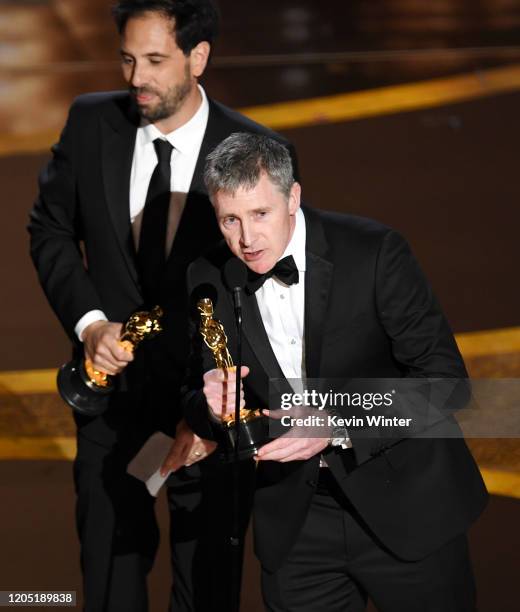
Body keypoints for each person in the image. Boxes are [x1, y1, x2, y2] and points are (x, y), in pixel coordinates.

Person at [28, 1, 298, 610]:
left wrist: (219, 399)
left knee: (206, 588)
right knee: (109, 575)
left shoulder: (257, 151)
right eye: (127, 58)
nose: (135, 77)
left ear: (198, 57)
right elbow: (49, 230)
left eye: (154, 60)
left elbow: (275, 286)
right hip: (113, 405)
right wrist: (90, 323)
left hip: (211, 410)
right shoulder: (90, 123)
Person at [182, 132, 488, 612]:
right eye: (230, 220)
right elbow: (204, 394)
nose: (245, 238)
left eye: (260, 214)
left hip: (405, 508)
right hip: (295, 525)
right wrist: (211, 406)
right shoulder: (208, 277)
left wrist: (338, 419)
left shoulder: (374, 252)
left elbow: (447, 384)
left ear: (293, 197)